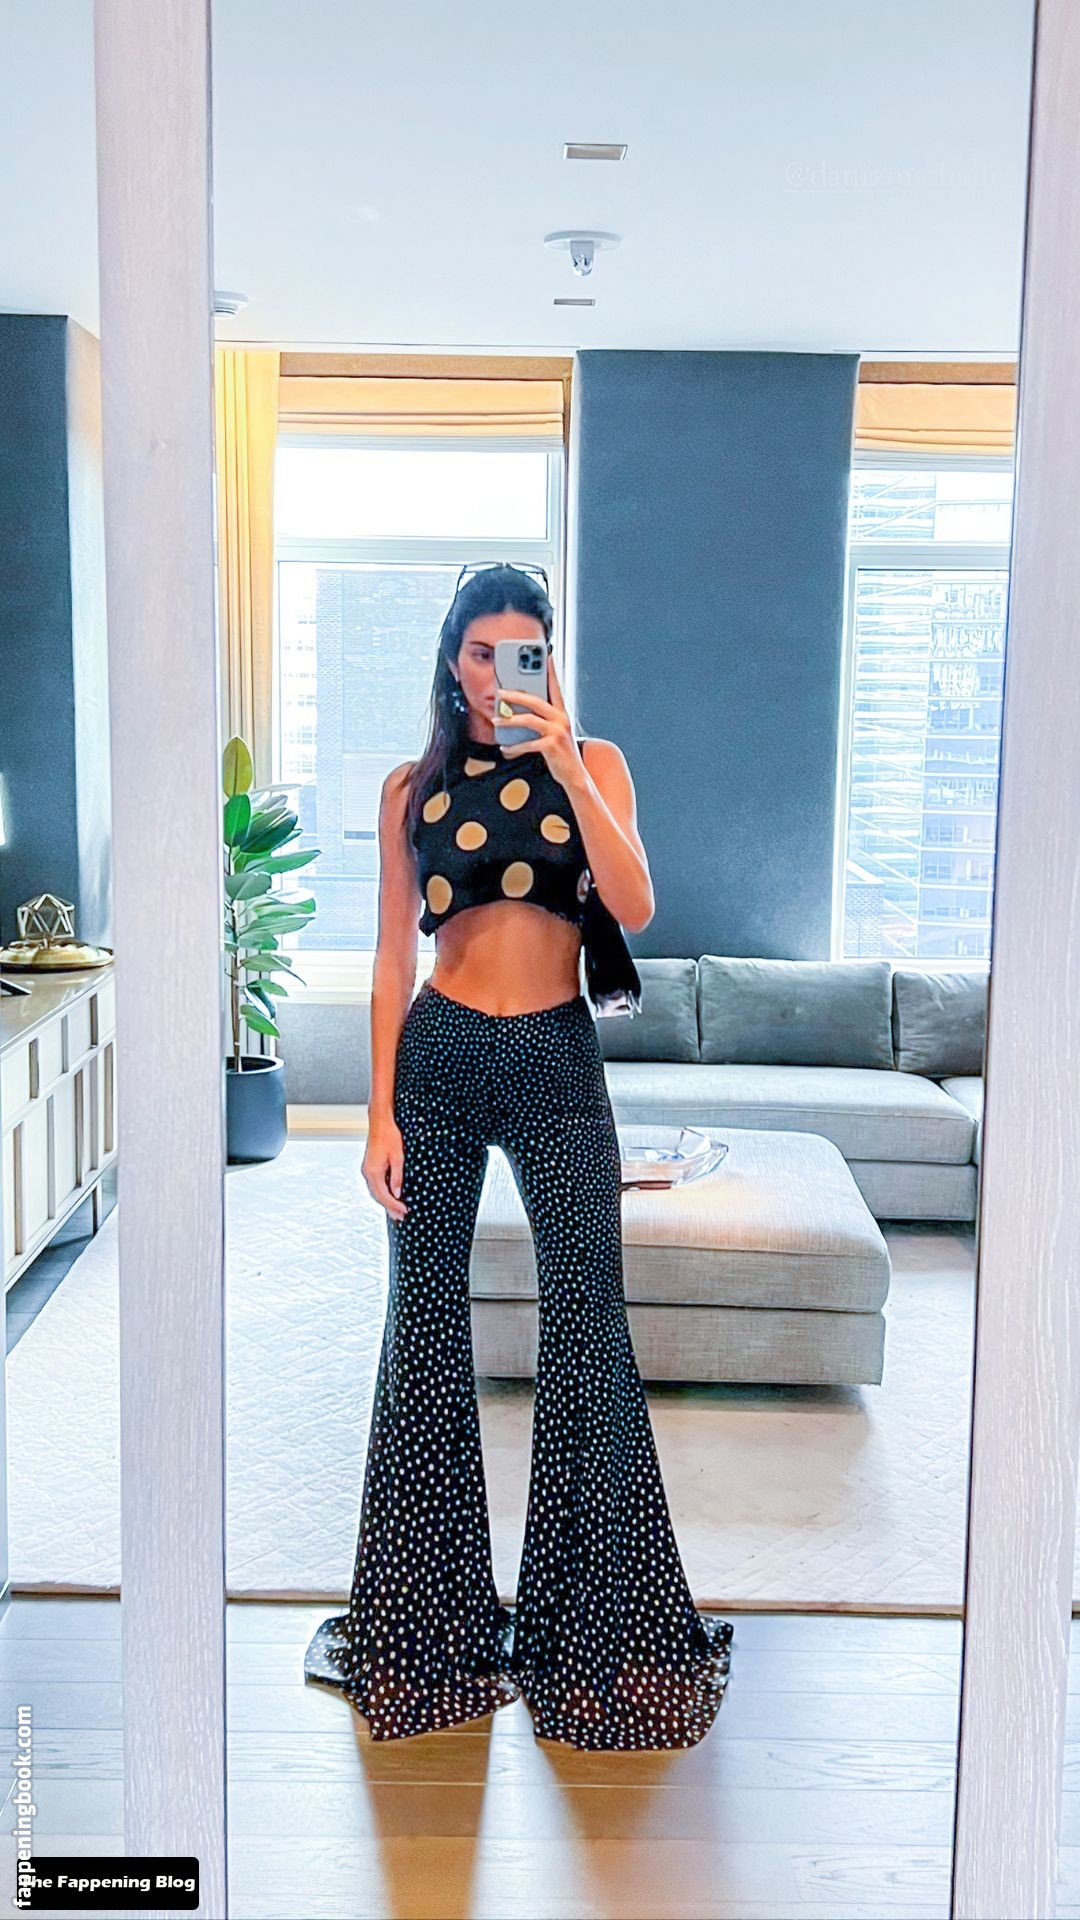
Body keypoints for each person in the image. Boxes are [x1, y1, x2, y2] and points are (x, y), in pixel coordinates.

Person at [303, 562, 733, 1749]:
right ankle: (423, 1633)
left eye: (521, 651)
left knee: (589, 1328)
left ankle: (594, 1634)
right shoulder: (411, 789)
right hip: (440, 1059)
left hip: (555, 1056)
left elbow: (636, 905)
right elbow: (392, 958)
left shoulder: (595, 764)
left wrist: (564, 764)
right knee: (425, 1333)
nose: (499, 674)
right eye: (480, 652)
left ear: (550, 657)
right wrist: (377, 1115)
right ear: (453, 661)